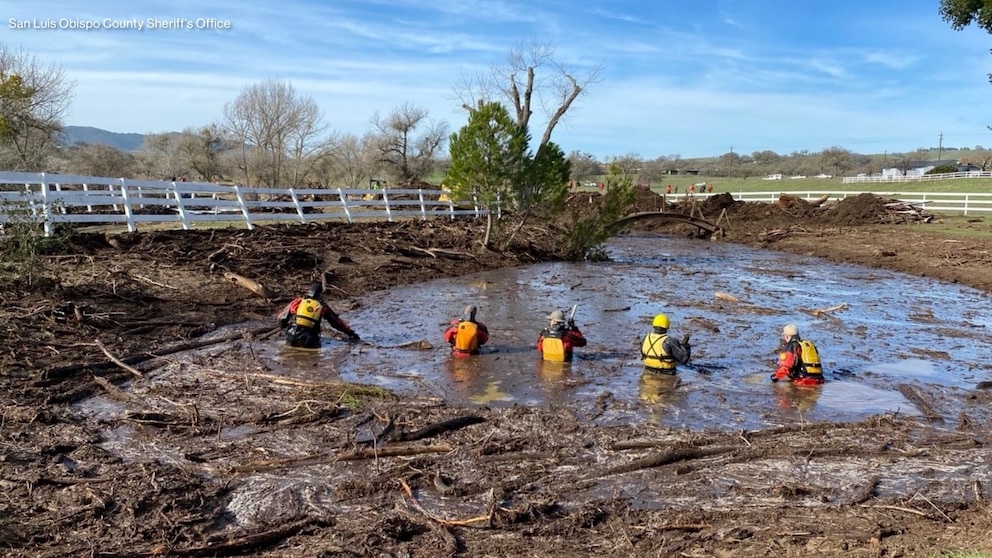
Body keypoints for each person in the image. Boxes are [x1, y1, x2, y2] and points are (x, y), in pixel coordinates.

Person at [277, 282, 359, 348]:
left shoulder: (298, 302)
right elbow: (336, 323)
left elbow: (281, 318)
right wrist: (351, 334)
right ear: (320, 294)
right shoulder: (322, 307)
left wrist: (285, 327)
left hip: (291, 335)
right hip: (309, 340)